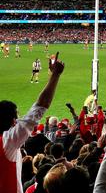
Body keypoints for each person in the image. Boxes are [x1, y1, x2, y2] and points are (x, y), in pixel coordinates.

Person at [1, 51, 64, 193]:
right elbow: (41, 106)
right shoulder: (7, 142)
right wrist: (55, 74)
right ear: (12, 122)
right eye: (16, 117)